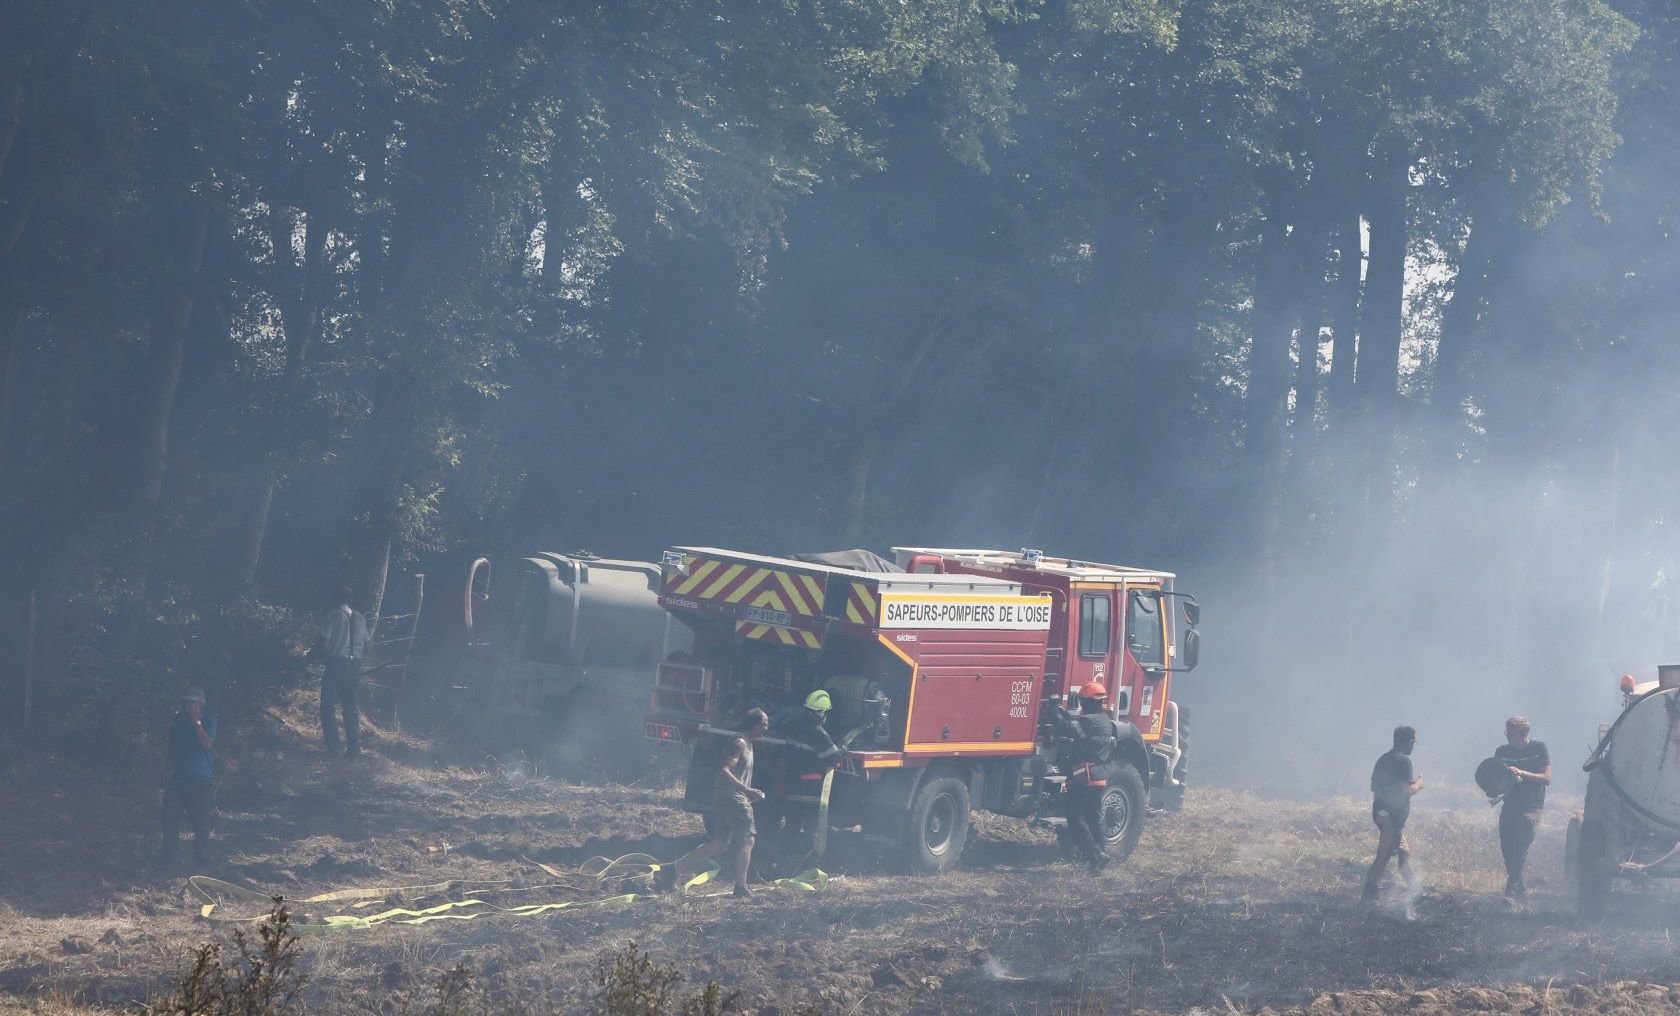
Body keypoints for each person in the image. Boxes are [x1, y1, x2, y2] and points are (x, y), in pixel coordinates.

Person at [661, 708, 770, 898]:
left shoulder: (749, 744)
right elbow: (724, 770)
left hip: (726, 798)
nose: (767, 728)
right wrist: (746, 791)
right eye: (764, 724)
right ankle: (740, 888)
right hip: (733, 798)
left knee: (719, 844)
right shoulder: (739, 743)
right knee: (748, 838)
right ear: (754, 725)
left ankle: (672, 869)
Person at [1055, 682, 1122, 874]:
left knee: (1075, 818)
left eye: (1083, 701)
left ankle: (1095, 853)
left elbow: (1065, 728)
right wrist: (1064, 712)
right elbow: (1077, 725)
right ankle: (1099, 860)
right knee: (1093, 818)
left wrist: (1053, 710)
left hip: (1084, 777)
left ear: (1087, 702)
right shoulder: (1104, 720)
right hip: (1099, 776)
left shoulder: (1088, 721)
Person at [777, 690, 844, 865]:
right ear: (823, 713)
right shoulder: (817, 732)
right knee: (811, 828)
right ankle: (809, 863)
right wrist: (843, 748)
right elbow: (833, 756)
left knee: (792, 825)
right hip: (811, 788)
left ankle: (781, 859)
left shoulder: (793, 725)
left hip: (793, 786)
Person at [1363, 725, 1423, 903]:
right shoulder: (1403, 761)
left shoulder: (1383, 759)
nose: (1413, 746)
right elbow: (1406, 791)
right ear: (1410, 742)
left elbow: (1374, 786)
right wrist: (1419, 784)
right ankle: (1368, 897)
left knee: (1403, 852)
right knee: (1383, 856)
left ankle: (1416, 891)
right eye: (1414, 742)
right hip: (1390, 817)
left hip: (1385, 814)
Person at [1493, 715, 1550, 897]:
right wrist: (1493, 790)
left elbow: (1546, 778)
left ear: (1524, 733)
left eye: (1513, 733)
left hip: (1531, 806)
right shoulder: (1501, 751)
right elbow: (1496, 781)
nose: (1508, 736)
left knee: (1520, 847)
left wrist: (1523, 773)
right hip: (1510, 805)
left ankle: (1510, 892)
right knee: (1508, 850)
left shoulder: (1538, 748)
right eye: (1507, 732)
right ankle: (1521, 888)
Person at [161, 687, 217, 866]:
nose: (186, 706)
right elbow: (172, 747)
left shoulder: (209, 719)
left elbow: (207, 743)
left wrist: (196, 722)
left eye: (191, 702)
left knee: (200, 823)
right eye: (184, 702)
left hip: (200, 780)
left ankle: (202, 859)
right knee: (169, 817)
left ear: (201, 703)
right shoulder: (177, 721)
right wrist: (165, 771)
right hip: (178, 779)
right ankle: (171, 857)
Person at [316, 585, 369, 756]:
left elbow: (323, 643)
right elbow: (369, 644)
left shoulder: (331, 617)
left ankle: (334, 748)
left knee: (327, 707)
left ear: (334, 598)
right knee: (351, 708)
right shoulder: (360, 618)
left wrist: (314, 658)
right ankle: (354, 750)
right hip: (355, 666)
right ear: (349, 599)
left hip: (336, 665)